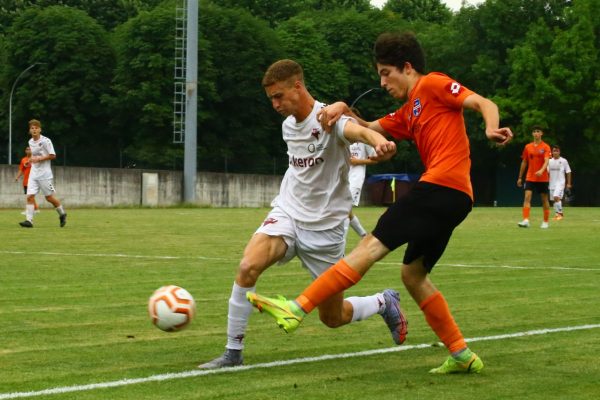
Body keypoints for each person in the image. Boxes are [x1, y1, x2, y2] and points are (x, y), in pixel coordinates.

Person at [247, 32, 513, 374]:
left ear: (406, 67)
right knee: (413, 275)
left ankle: (297, 308)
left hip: (439, 188)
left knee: (368, 248)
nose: (382, 82)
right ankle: (461, 353)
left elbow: (483, 103)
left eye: (386, 73)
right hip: (456, 198)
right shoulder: (407, 113)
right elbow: (363, 126)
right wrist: (342, 107)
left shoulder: (432, 84)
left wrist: (491, 128)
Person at [198, 59, 401, 369]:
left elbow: (359, 132)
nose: (275, 105)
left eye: (279, 96)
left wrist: (381, 142)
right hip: (288, 213)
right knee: (248, 265)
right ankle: (232, 352)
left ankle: (383, 302)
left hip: (326, 230)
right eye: (271, 99)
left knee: (332, 318)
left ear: (297, 85)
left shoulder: (330, 119)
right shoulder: (287, 126)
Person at [18, 119, 67, 228]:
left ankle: (62, 213)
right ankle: (29, 221)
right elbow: (32, 156)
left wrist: (40, 158)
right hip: (34, 174)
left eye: (36, 128)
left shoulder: (46, 141)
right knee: (30, 196)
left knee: (49, 198)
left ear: (40, 129)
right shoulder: (30, 142)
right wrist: (29, 161)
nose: (34, 130)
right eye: (32, 128)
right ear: (30, 130)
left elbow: (52, 155)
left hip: (45, 175)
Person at [517, 126, 551, 229]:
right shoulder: (528, 147)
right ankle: (526, 220)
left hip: (542, 177)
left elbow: (546, 161)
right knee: (527, 197)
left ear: (542, 133)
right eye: (534, 131)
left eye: (538, 131)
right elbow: (524, 162)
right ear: (532, 134)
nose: (536, 133)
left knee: (544, 199)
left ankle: (545, 222)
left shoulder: (546, 147)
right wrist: (520, 177)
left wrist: (541, 170)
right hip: (530, 177)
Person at [346, 140, 377, 238]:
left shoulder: (364, 140)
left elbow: (375, 159)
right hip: (341, 178)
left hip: (356, 179)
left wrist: (358, 161)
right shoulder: (342, 136)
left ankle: (339, 249)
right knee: (347, 211)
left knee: (343, 210)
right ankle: (364, 236)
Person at [547, 145, 572, 220]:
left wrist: (568, 183)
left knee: (556, 197)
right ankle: (557, 215)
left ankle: (560, 214)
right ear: (552, 152)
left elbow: (568, 172)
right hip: (551, 183)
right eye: (554, 151)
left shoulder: (564, 161)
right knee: (554, 200)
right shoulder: (549, 161)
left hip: (560, 183)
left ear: (559, 152)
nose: (555, 152)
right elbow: (546, 172)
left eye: (557, 151)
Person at [14, 146, 39, 214]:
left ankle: (29, 210)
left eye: (29, 149)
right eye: (27, 149)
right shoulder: (23, 160)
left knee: (30, 196)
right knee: (29, 196)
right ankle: (36, 209)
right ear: (25, 151)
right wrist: (17, 177)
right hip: (26, 181)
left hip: (33, 180)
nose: (28, 150)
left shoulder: (35, 158)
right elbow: (21, 170)